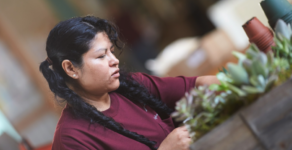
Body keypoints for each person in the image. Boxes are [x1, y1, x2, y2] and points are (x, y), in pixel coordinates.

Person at [39, 16, 219, 150]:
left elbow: (197, 85)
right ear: (71, 68)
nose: (114, 60)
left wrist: (228, 87)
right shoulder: (72, 138)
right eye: (101, 56)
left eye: (111, 51)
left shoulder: (130, 85)